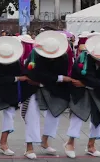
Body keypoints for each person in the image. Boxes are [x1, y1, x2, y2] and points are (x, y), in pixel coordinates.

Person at [64, 35, 100, 158]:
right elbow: (89, 78)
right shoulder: (82, 60)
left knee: (97, 117)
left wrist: (88, 83)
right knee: (77, 117)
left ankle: (91, 145)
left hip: (97, 92)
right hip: (80, 93)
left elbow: (99, 80)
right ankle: (70, 143)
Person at [21, 31, 72, 159]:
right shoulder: (35, 56)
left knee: (56, 110)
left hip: (52, 86)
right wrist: (59, 78)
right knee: (32, 115)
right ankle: (29, 147)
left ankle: (45, 140)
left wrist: (56, 79)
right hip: (32, 87)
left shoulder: (64, 56)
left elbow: (62, 73)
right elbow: (33, 75)